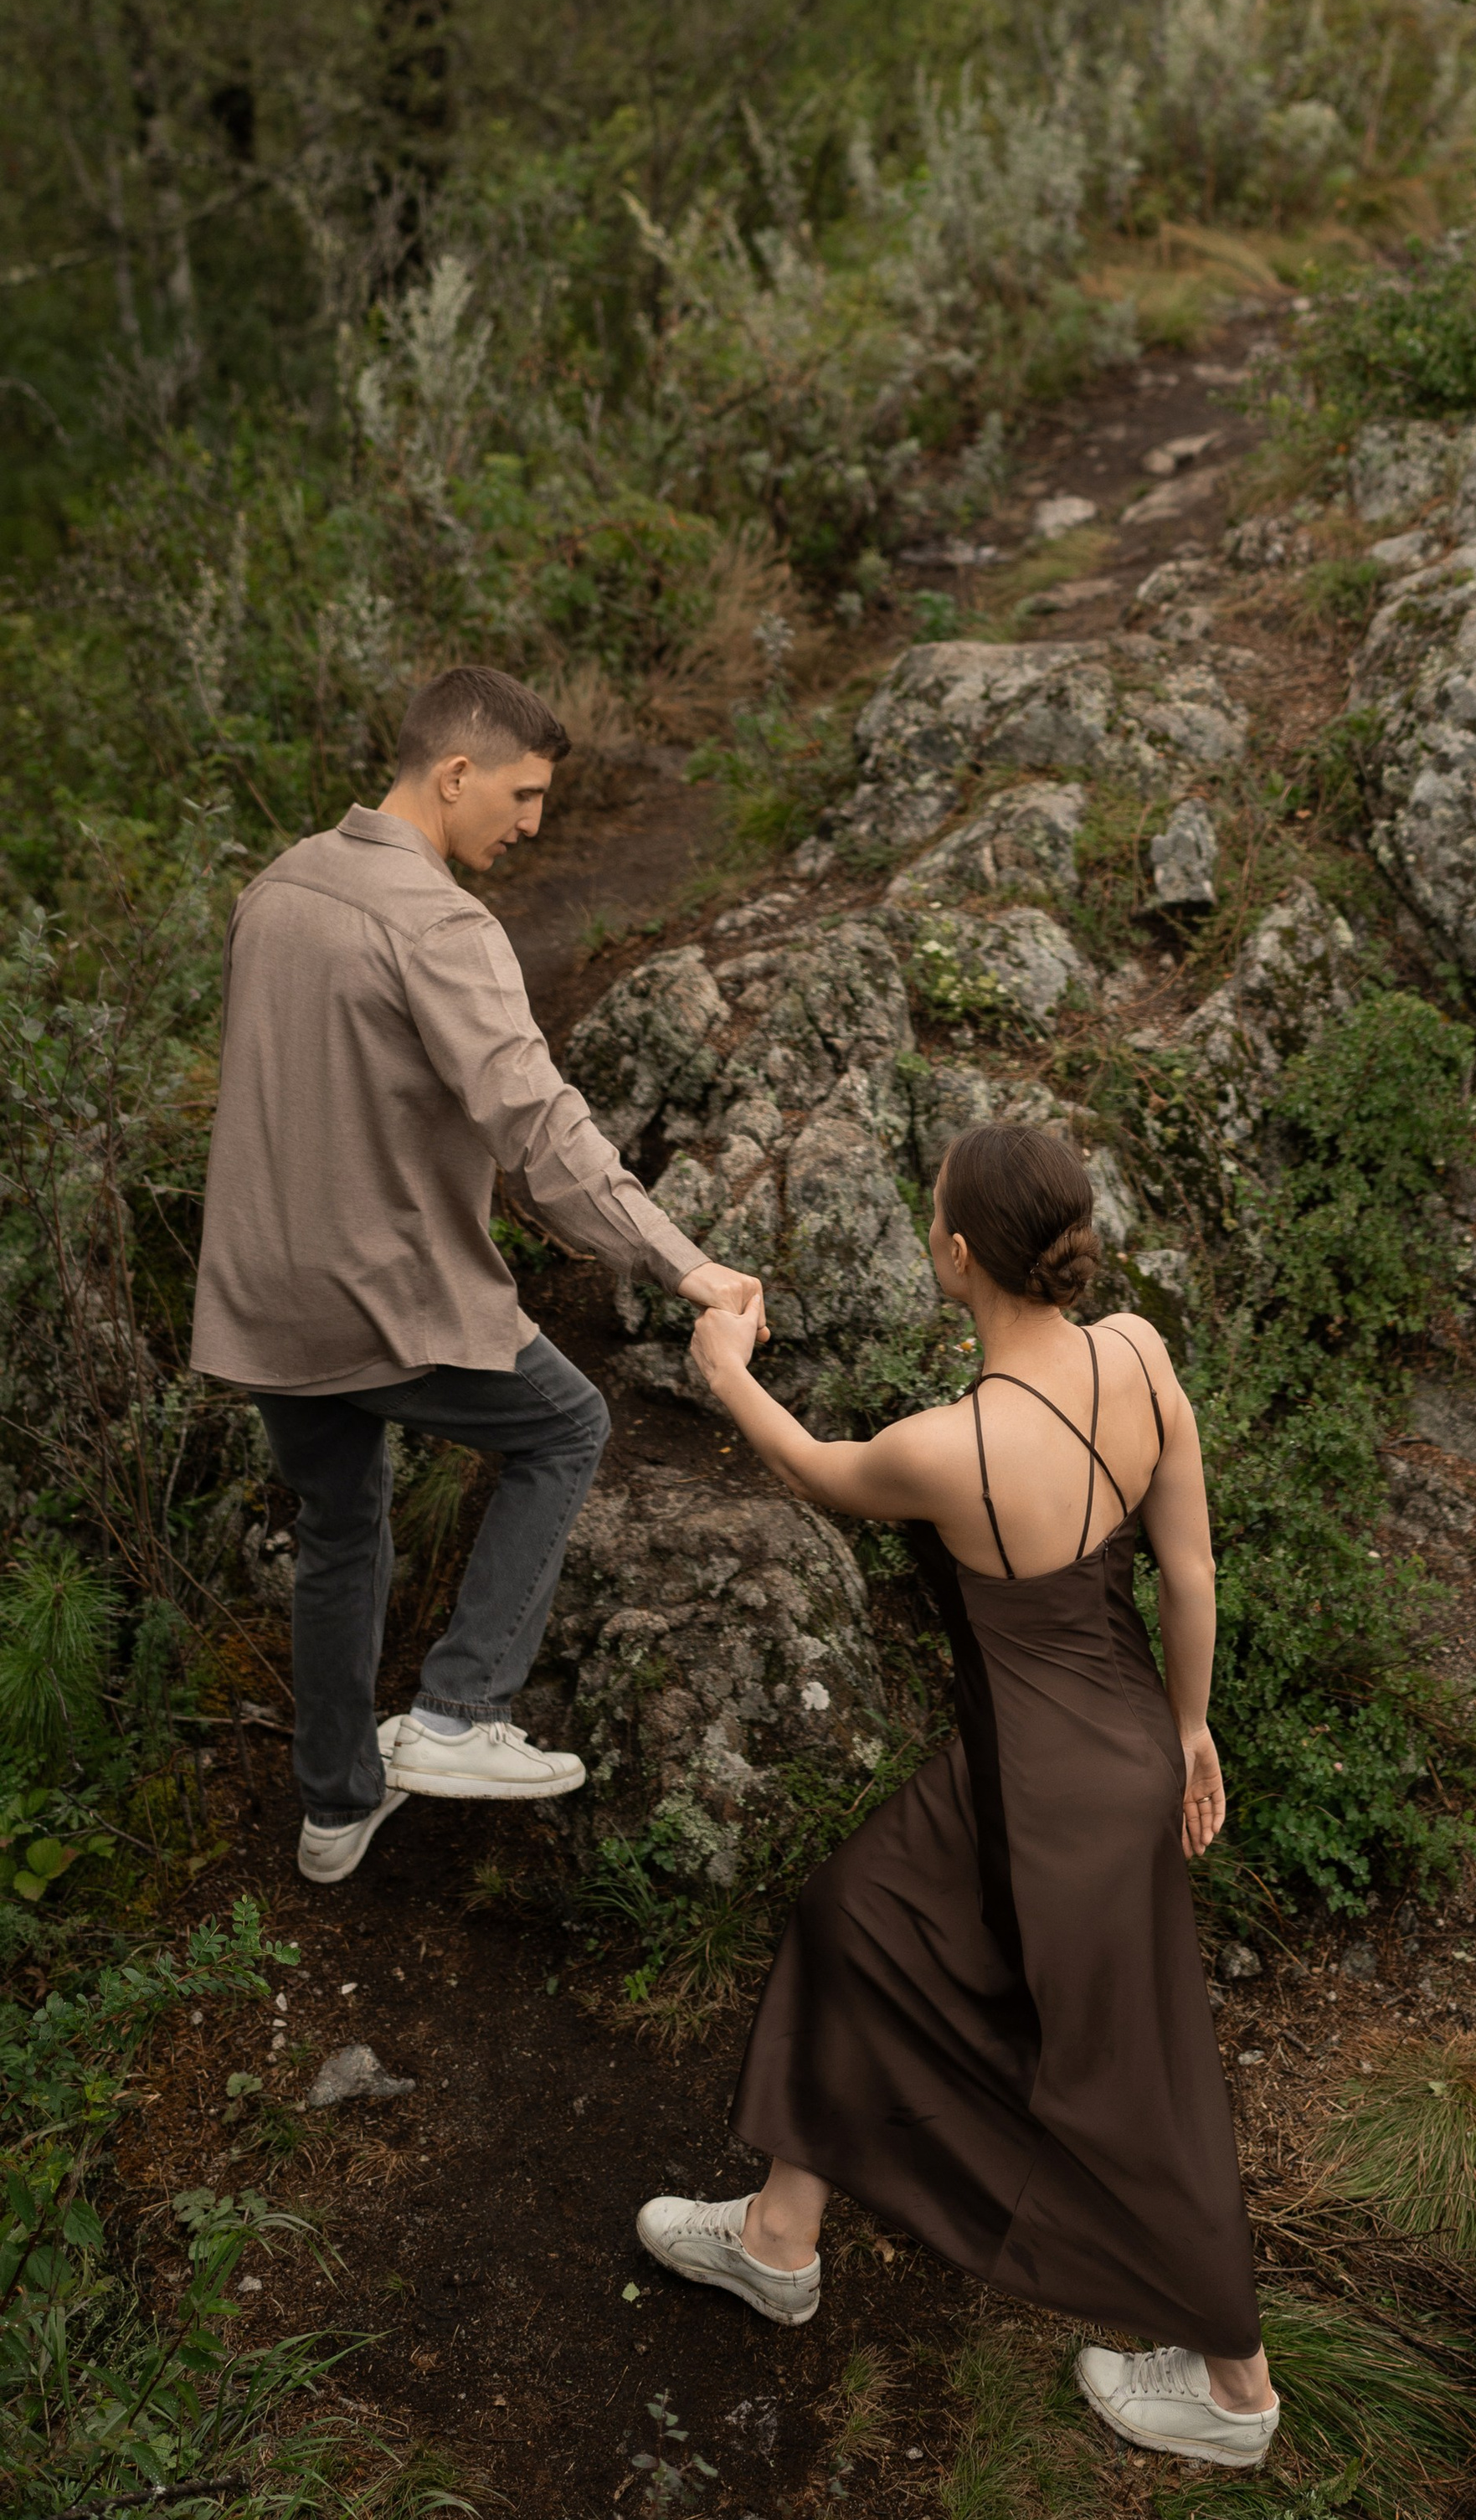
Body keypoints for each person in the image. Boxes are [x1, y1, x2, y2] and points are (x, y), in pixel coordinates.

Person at [635, 1119, 1278, 2476]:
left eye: (935, 1214)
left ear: (961, 1251)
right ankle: (779, 2239)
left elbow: (811, 1466)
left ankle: (1236, 2389)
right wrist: (1191, 1728)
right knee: (858, 1915)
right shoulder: (1141, 1352)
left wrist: (722, 1368)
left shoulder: (955, 1446)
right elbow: (1193, 1573)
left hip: (1035, 1793)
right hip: (1110, 1754)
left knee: (1128, 2081)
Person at [191, 665, 764, 1889]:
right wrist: (684, 1263)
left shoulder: (274, 886)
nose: (533, 822)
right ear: (455, 773)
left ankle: (334, 1811)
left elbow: (331, 1084)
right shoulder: (441, 922)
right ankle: (458, 1714)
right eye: (524, 792)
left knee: (341, 1528)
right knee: (567, 1423)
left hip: (259, 1300)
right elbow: (539, 1123)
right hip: (379, 1298)